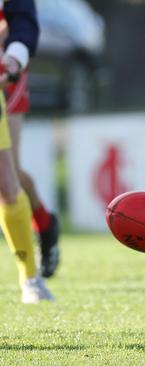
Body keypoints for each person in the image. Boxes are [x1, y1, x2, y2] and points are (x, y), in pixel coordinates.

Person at [0, 0, 54, 304]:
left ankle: (31, 279)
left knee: (8, 181)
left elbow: (23, 19)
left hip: (5, 73)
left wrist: (13, 58)